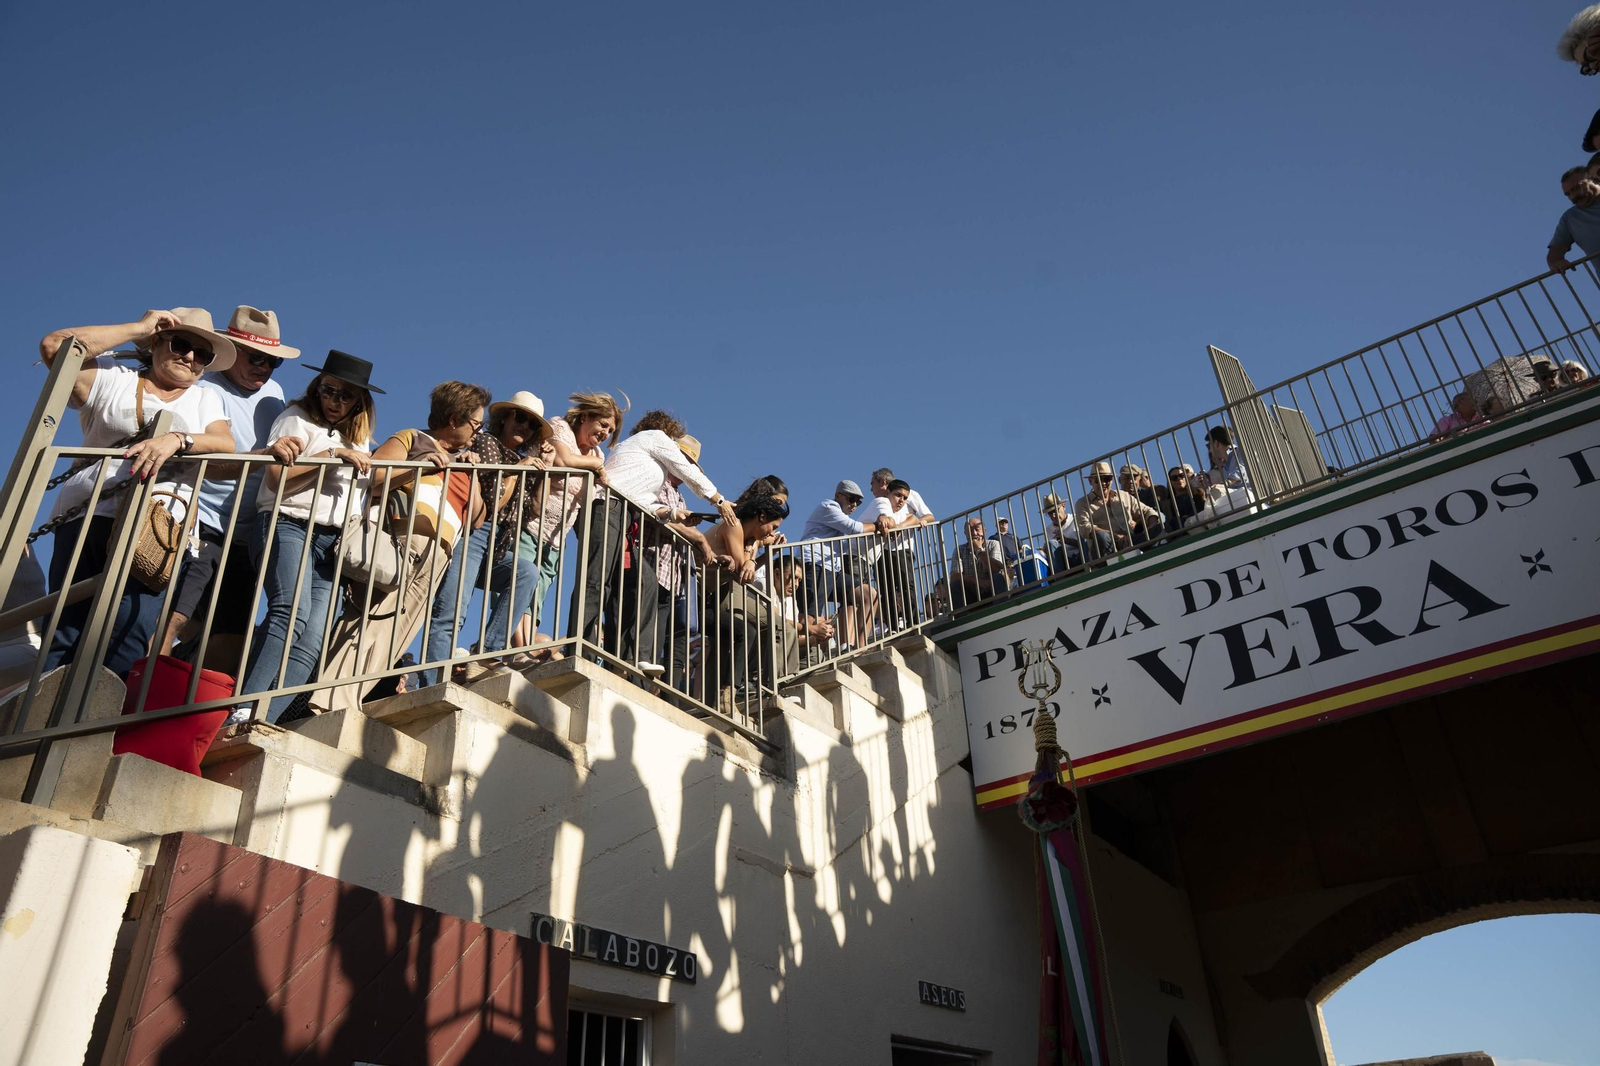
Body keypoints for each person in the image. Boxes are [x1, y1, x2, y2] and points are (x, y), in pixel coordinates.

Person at [36, 308, 237, 678]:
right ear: (158, 342)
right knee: (66, 629)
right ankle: (34, 729)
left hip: (156, 531)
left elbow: (226, 447)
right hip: (88, 515)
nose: (190, 357)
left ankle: (93, 728)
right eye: (181, 344)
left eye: (202, 354)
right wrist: (137, 328)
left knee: (131, 632)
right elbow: (54, 346)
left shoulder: (205, 400)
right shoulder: (114, 377)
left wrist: (179, 439)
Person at [313, 381, 485, 713]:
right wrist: (423, 467)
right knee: (369, 622)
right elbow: (374, 478)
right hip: (403, 540)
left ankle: (348, 702)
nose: (478, 431)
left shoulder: (464, 460)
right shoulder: (413, 438)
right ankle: (329, 703)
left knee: (395, 637)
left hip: (440, 554)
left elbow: (476, 519)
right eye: (475, 423)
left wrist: (472, 475)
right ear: (454, 418)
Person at [237, 351, 378, 723]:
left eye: (345, 396)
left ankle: (262, 719)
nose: (334, 401)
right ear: (317, 387)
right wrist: (332, 456)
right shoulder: (295, 419)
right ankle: (239, 709)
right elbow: (276, 478)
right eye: (328, 390)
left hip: (331, 542)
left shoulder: (361, 440)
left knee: (313, 641)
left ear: (360, 402)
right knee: (291, 614)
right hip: (288, 523)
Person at [162, 306, 304, 660]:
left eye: (273, 361)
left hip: (247, 532)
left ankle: (180, 703)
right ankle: (133, 694)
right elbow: (201, 461)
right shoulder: (202, 385)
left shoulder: (274, 392)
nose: (264, 368)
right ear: (231, 351)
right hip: (201, 524)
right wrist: (263, 454)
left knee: (230, 635)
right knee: (173, 619)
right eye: (256, 357)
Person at [577, 411, 737, 667]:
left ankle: (631, 659)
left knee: (643, 581)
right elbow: (685, 469)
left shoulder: (643, 461)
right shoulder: (655, 437)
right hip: (606, 507)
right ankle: (580, 646)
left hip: (624, 513)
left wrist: (673, 512)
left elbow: (641, 499)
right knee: (598, 580)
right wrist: (717, 499)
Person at [425, 388, 553, 681]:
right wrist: (520, 468)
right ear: (506, 417)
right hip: (476, 532)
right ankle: (432, 684)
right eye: (521, 417)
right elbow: (495, 500)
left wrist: (543, 467)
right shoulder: (487, 442)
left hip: (499, 543)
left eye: (533, 424)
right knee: (451, 612)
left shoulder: (523, 459)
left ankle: (489, 651)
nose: (525, 426)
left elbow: (534, 510)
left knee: (526, 573)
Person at [797, 480, 885, 651]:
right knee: (810, 617)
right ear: (838, 495)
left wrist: (879, 534)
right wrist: (877, 526)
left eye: (858, 502)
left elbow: (848, 544)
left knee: (869, 595)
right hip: (816, 563)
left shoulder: (839, 523)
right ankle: (803, 656)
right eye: (851, 499)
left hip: (832, 569)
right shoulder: (828, 506)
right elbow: (853, 528)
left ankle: (860, 647)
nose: (854, 505)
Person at [872, 478, 927, 629]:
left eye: (873, 484)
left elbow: (919, 517)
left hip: (902, 549)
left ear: (884, 483)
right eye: (899, 496)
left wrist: (900, 527)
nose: (902, 500)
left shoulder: (907, 498)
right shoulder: (880, 503)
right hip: (881, 551)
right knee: (886, 589)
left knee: (906, 586)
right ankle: (893, 627)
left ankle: (913, 623)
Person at [1075, 461, 1164, 553]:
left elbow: (1147, 510)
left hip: (1131, 541)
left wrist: (1152, 524)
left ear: (1112, 480)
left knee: (1161, 525)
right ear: (1090, 481)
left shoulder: (1123, 495)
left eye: (1107, 479)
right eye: (1099, 480)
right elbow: (1085, 528)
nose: (1103, 483)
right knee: (1101, 536)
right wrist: (1115, 536)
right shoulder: (1083, 503)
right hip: (1108, 544)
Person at [948, 517, 1010, 608]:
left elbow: (996, 568)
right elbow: (954, 576)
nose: (974, 533)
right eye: (970, 530)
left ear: (984, 531)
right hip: (971, 593)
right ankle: (961, 618)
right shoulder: (960, 550)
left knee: (998, 577)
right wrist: (978, 582)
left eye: (977, 530)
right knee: (955, 585)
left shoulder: (993, 544)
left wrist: (980, 551)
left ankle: (1002, 608)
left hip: (991, 590)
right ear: (965, 533)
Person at [1548, 166, 1600, 273]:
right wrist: (1556, 263)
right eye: (1568, 194)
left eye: (1576, 188)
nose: (1573, 196)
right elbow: (1555, 253)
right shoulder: (1570, 218)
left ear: (1593, 179)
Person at [1041, 492, 1111, 571]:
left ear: (1063, 507)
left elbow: (1087, 543)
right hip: (1065, 561)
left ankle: (1088, 568)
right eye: (1050, 513)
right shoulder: (1048, 530)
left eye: (1055, 510)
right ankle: (1060, 578)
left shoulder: (1076, 519)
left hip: (1082, 556)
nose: (1053, 515)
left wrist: (1067, 541)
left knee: (1083, 535)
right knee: (1051, 544)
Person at [867, 468, 936, 526]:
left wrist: (915, 522)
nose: (871, 489)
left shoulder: (909, 494)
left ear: (883, 482)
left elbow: (929, 516)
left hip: (904, 541)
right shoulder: (879, 503)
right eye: (898, 495)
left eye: (872, 484)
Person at [1158, 464, 1207, 532]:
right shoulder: (1167, 504)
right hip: (1182, 531)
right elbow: (1171, 522)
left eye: (1181, 475)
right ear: (1170, 482)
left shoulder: (1199, 492)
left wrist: (1188, 517)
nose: (1179, 479)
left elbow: (1203, 508)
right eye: (1174, 477)